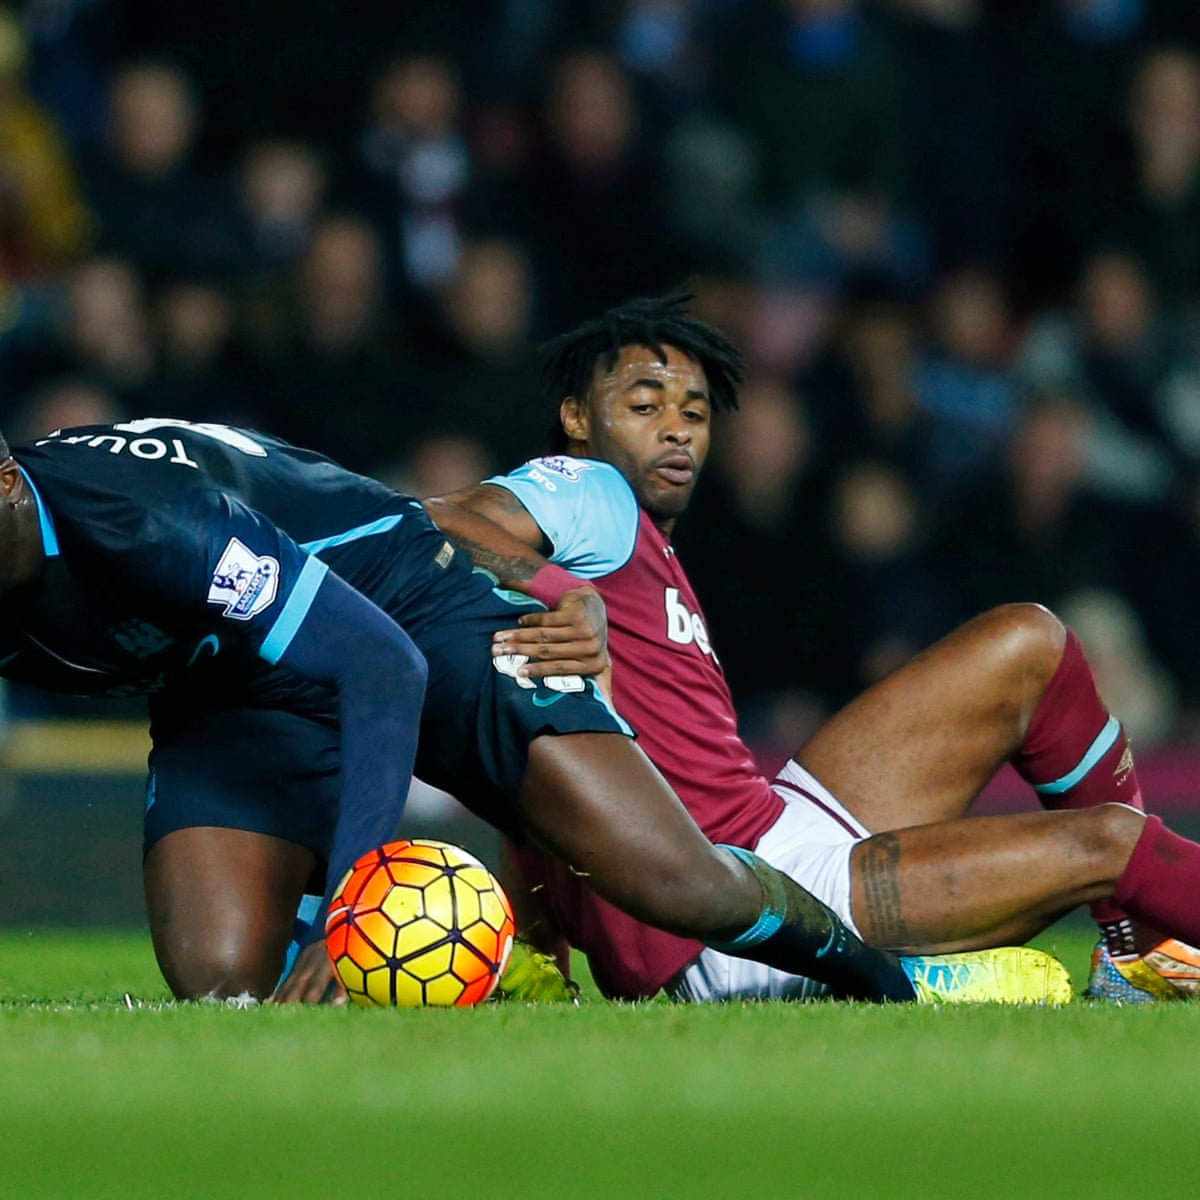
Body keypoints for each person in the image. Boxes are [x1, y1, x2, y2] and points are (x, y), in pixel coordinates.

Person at [0, 415, 958, 1009]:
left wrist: (348, 912)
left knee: (680, 887)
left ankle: (887, 979)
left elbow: (380, 667)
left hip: (406, 611)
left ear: (9, 485)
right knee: (222, 984)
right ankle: (420, 972)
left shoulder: (144, 523)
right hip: (233, 683)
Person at [424, 293, 1200, 1005]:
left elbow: (535, 767)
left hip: (771, 828)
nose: (675, 428)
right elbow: (435, 518)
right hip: (738, 908)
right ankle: (1130, 945)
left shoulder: (635, 549)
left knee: (1029, 641)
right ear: (578, 420)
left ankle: (1131, 952)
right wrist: (563, 587)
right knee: (1111, 841)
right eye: (643, 404)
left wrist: (540, 951)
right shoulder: (588, 494)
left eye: (694, 412)